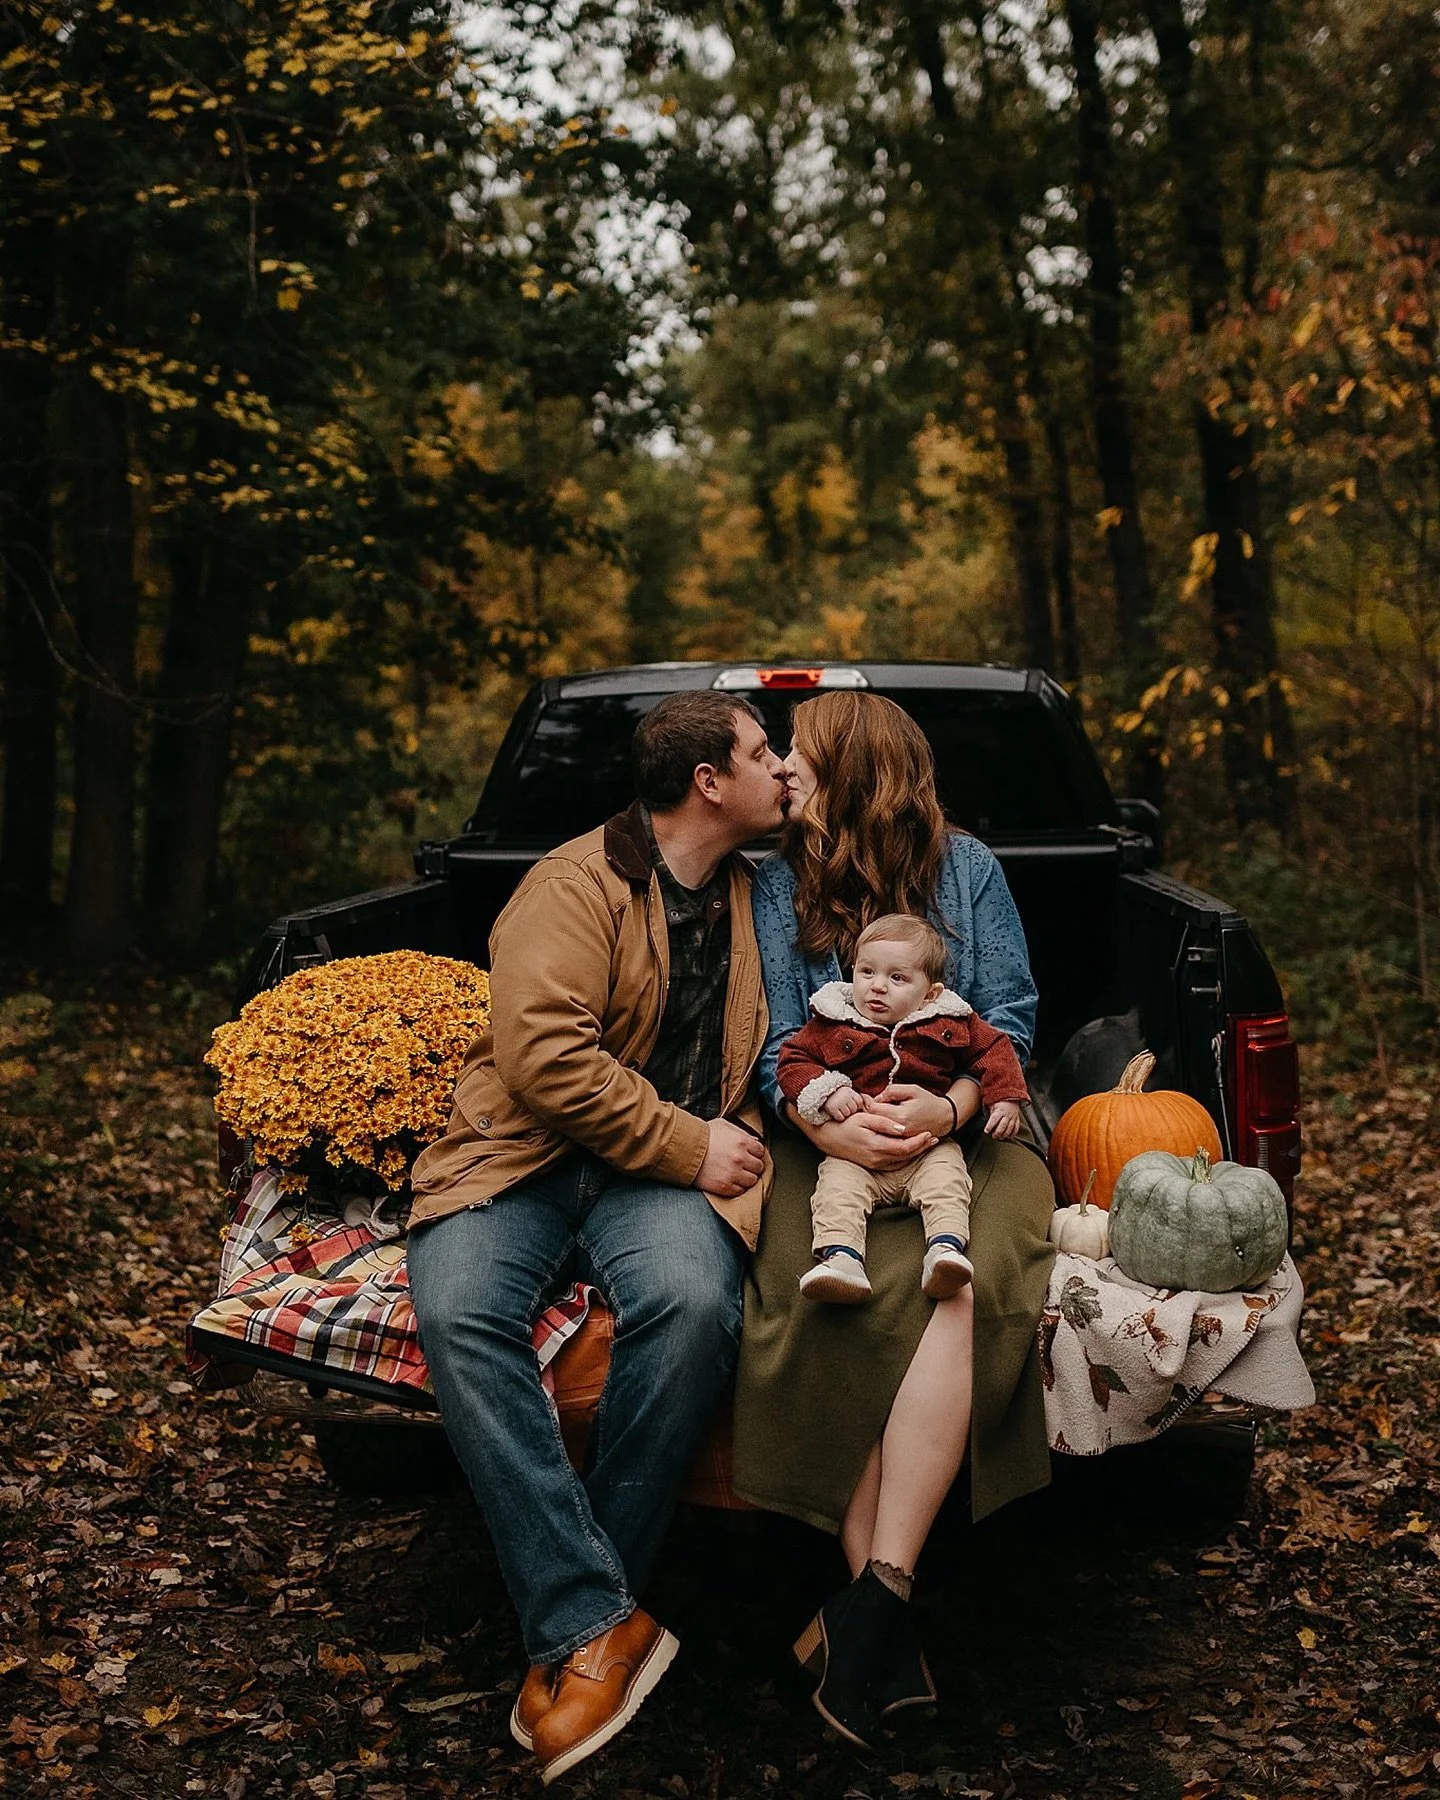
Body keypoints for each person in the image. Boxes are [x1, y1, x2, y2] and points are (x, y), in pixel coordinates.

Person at [406, 690, 786, 1785]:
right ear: (708, 782)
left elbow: (876, 825)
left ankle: (584, 1622)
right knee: (459, 1310)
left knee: (692, 1304)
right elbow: (546, 1061)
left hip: (651, 1182)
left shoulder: (765, 887)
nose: (784, 769)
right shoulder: (572, 886)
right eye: (765, 753)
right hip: (524, 1155)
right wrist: (690, 1145)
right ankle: (595, 1616)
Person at [731, 689, 1056, 1749]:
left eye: (799, 755)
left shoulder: (969, 870)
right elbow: (779, 1036)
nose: (782, 768)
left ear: (853, 773)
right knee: (834, 1296)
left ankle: (870, 1605)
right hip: (823, 1138)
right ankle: (881, 1616)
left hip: (973, 1133)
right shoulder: (771, 884)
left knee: (960, 1281)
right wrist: (831, 1130)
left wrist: (950, 1105)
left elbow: (1007, 1016)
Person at [775, 912, 1029, 1304]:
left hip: (929, 1143)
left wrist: (1005, 1096)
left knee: (947, 1181)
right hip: (852, 1150)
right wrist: (828, 1091)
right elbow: (791, 1059)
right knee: (836, 1191)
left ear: (929, 993)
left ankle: (944, 1251)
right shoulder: (833, 1021)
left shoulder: (947, 1019)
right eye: (867, 972)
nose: (877, 987)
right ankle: (842, 1260)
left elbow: (995, 1049)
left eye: (897, 978)